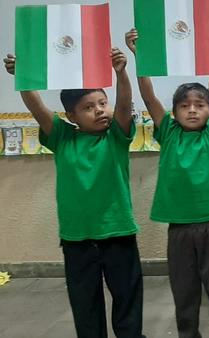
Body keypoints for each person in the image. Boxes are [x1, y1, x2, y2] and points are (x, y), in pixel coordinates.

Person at [4, 50, 144, 338]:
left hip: (118, 234)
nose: (100, 110)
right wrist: (22, 77)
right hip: (77, 239)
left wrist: (121, 73)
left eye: (102, 103)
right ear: (71, 116)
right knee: (85, 306)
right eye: (89, 107)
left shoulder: (116, 136)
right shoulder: (62, 137)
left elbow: (124, 105)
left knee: (127, 300)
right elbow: (37, 107)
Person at [126, 29, 209, 338]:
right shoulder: (169, 133)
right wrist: (139, 56)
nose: (192, 110)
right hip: (179, 228)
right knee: (184, 293)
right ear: (174, 113)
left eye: (199, 105)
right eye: (185, 106)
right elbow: (148, 96)